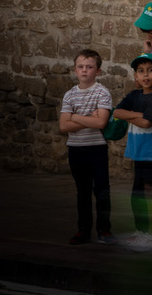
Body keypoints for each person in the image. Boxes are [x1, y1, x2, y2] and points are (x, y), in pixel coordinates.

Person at [112, 53, 152, 249]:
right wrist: (137, 114)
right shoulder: (134, 96)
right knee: (137, 194)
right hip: (138, 152)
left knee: (151, 193)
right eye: (141, 71)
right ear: (136, 76)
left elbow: (146, 123)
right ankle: (142, 230)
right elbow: (117, 112)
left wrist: (134, 117)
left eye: (150, 70)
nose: (146, 75)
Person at [59, 49, 116, 245]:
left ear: (98, 71)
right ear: (75, 69)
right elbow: (63, 126)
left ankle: (104, 229)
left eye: (90, 67)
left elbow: (101, 123)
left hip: (96, 148)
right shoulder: (69, 95)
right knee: (82, 191)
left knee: (101, 190)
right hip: (75, 149)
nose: (85, 71)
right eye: (81, 67)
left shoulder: (102, 92)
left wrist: (74, 116)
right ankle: (83, 229)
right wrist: (87, 119)